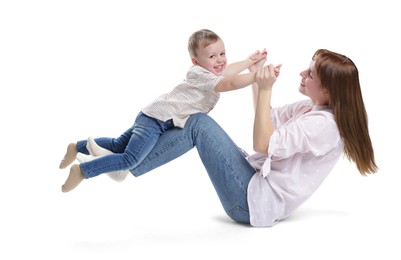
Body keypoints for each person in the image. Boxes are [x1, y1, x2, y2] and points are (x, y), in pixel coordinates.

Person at [102, 48, 376, 227]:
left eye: (311, 74)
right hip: (255, 188)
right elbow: (266, 116)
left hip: (250, 205)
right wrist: (258, 77)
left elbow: (263, 144)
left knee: (198, 122)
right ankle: (126, 159)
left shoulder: (323, 125)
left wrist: (265, 87)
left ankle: (128, 163)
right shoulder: (309, 108)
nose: (303, 74)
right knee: (194, 120)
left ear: (327, 90)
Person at [58, 29, 268, 192]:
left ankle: (77, 147)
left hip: (153, 114)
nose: (220, 60)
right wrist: (256, 77)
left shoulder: (209, 72)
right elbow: (228, 83)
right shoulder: (200, 75)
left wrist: (250, 62)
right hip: (157, 120)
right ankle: (83, 171)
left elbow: (227, 72)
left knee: (117, 144)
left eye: (222, 53)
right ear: (196, 61)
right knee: (130, 159)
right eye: (213, 57)